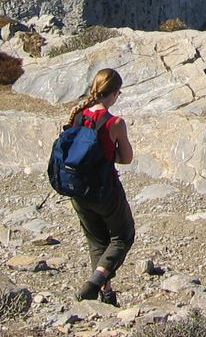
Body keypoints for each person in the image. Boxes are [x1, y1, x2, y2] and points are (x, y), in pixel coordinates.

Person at [64, 68, 135, 305]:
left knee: (97, 241)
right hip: (105, 190)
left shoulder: (77, 116)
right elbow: (126, 158)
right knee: (123, 236)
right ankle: (95, 283)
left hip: (77, 190)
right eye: (118, 92)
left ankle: (106, 294)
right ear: (114, 93)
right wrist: (107, 155)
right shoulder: (115, 122)